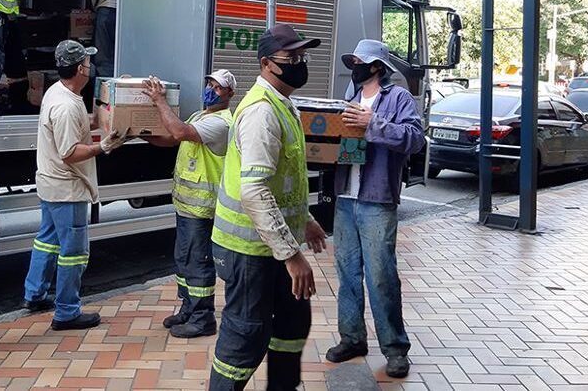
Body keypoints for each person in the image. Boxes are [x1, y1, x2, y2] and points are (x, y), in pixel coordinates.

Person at [209, 24, 328, 391]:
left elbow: (283, 180)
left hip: (272, 247)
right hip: (251, 251)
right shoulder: (262, 112)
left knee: (292, 323)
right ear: (266, 64)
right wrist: (292, 256)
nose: (299, 63)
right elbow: (255, 191)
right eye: (290, 58)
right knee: (246, 336)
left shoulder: (282, 103)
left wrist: (305, 220)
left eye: (302, 56)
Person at [325, 39, 425, 379]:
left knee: (381, 276)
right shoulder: (348, 99)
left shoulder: (397, 98)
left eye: (360, 62)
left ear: (377, 67)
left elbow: (415, 138)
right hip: (346, 198)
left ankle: (396, 350)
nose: (355, 67)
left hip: (377, 199)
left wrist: (373, 124)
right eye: (352, 61)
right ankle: (352, 339)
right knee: (348, 274)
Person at [22, 40, 130, 330]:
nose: (90, 66)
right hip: (67, 189)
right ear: (81, 68)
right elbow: (70, 153)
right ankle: (67, 311)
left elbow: (86, 123)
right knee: (73, 252)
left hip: (51, 185)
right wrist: (104, 146)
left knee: (47, 239)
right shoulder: (67, 106)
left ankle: (35, 294)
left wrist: (112, 109)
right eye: (88, 62)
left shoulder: (60, 93)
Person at [141, 69, 237, 338]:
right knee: (183, 261)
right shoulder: (201, 116)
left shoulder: (221, 122)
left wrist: (160, 100)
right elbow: (170, 138)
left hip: (203, 209)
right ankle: (188, 308)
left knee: (198, 263)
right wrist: (138, 133)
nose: (210, 89)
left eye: (217, 87)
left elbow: (179, 132)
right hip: (186, 206)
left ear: (230, 94)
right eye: (208, 83)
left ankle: (203, 318)